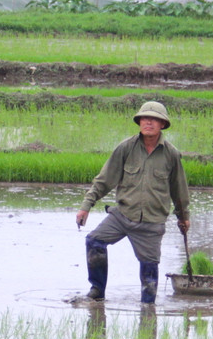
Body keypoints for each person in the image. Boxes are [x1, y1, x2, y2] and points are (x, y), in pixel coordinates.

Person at [76, 101, 190, 304]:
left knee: (149, 278)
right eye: (145, 118)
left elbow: (179, 190)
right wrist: (86, 206)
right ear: (139, 122)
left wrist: (184, 217)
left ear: (163, 124)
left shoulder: (171, 154)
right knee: (94, 241)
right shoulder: (126, 148)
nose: (148, 122)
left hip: (152, 223)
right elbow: (104, 180)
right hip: (122, 216)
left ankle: (148, 316)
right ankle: (97, 290)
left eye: (154, 119)